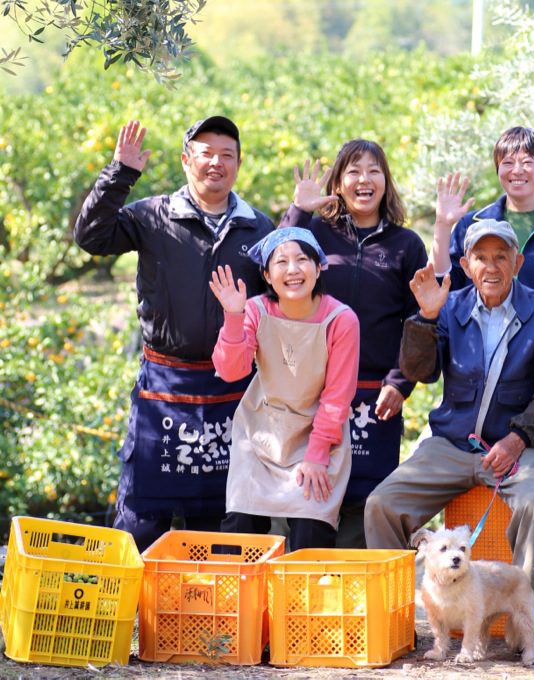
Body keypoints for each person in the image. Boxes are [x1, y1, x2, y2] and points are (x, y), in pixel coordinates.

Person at [74, 117, 274, 551]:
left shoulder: (258, 228)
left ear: (239, 164)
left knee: (222, 523)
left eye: (227, 155)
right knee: (143, 518)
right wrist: (120, 174)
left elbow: (282, 299)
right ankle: (131, 614)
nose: (216, 163)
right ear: (186, 161)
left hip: (232, 390)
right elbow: (91, 236)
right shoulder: (153, 216)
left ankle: (213, 617)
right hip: (164, 384)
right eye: (206, 154)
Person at [365, 217, 534, 594]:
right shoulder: (449, 307)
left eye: (500, 257)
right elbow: (421, 371)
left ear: (518, 262)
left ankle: (525, 624)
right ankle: (392, 614)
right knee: (381, 504)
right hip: (450, 444)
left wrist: (517, 439)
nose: (491, 267)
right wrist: (426, 318)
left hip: (514, 447)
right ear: (465, 265)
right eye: (480, 257)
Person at [279, 142, 429, 548]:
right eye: (354, 171)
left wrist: (401, 382)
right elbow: (273, 270)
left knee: (367, 503)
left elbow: (419, 320)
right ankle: (307, 595)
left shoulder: (406, 245)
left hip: (377, 394)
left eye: (374, 170)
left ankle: (362, 604)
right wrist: (299, 211)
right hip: (314, 390)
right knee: (311, 493)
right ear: (339, 183)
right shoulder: (315, 234)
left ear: (386, 181)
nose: (364, 180)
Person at [430, 127, 534, 469]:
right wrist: (442, 227)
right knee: (471, 491)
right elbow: (446, 290)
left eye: (527, 161)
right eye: (507, 161)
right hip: (477, 375)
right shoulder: (474, 225)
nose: (517, 169)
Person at [210, 228, 359, 549]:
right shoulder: (254, 310)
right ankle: (239, 600)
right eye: (281, 262)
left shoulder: (341, 319)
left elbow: (337, 396)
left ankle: (302, 601)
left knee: (311, 533)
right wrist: (233, 316)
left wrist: (317, 455)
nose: (293, 270)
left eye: (302, 260)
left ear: (319, 267)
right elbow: (230, 370)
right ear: (266, 274)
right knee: (240, 530)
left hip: (319, 438)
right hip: (260, 435)